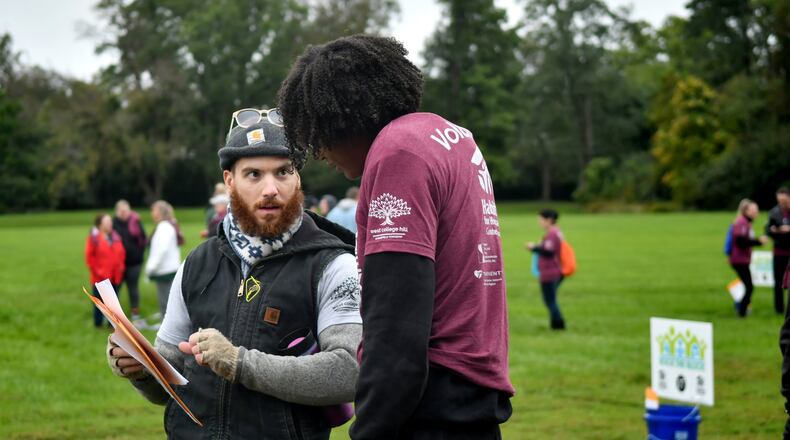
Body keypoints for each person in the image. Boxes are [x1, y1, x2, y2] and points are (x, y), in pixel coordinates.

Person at [278, 34, 513, 439]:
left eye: (318, 137)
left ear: (343, 119)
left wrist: (369, 430)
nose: (320, 154)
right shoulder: (450, 137)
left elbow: (396, 325)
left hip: (429, 404)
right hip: (473, 395)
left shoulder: (397, 154)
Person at [106, 113, 362, 439]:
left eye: (283, 172)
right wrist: (140, 369)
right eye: (253, 174)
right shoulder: (197, 263)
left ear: (297, 178)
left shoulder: (333, 265)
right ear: (229, 181)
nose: (271, 188)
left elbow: (349, 372)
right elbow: (166, 382)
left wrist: (239, 363)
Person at [526, 209, 566, 330]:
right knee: (550, 299)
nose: (539, 222)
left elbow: (549, 252)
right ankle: (556, 324)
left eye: (541, 220)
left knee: (550, 300)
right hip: (553, 271)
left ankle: (558, 325)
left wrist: (534, 247)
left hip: (550, 272)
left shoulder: (552, 233)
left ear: (549, 220)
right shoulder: (556, 232)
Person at [729, 198, 769, 317]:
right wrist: (758, 241)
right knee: (749, 286)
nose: (757, 213)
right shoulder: (742, 222)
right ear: (746, 211)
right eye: (754, 210)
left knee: (748, 285)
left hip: (742, 259)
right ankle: (741, 311)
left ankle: (741, 309)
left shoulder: (745, 223)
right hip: (739, 260)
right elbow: (740, 240)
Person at [85, 213, 125, 328]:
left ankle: (111, 324)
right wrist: (99, 271)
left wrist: (121, 266)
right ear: (100, 225)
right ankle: (98, 325)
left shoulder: (115, 236)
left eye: (110, 221)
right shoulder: (94, 239)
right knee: (100, 303)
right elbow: (89, 258)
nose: (110, 224)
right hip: (100, 277)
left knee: (113, 303)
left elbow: (121, 253)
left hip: (115, 276)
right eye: (107, 222)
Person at [146, 200, 182, 318]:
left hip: (166, 271)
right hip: (166, 269)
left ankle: (168, 331)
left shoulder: (165, 228)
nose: (152, 213)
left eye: (153, 210)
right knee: (166, 301)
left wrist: (151, 268)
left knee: (166, 303)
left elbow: (162, 250)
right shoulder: (166, 226)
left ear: (159, 212)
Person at [113, 200, 147, 321]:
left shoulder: (135, 222)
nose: (123, 214)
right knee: (115, 289)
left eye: (126, 211)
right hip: (118, 265)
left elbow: (143, 240)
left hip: (134, 263)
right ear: (117, 211)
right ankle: (114, 314)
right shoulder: (112, 224)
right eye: (121, 211)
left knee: (133, 289)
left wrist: (139, 254)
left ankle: (135, 312)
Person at [767, 187, 790, 314]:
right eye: (779, 200)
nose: (782, 203)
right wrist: (777, 230)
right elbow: (768, 230)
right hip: (779, 251)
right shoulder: (773, 212)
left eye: (784, 200)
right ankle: (779, 308)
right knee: (778, 281)